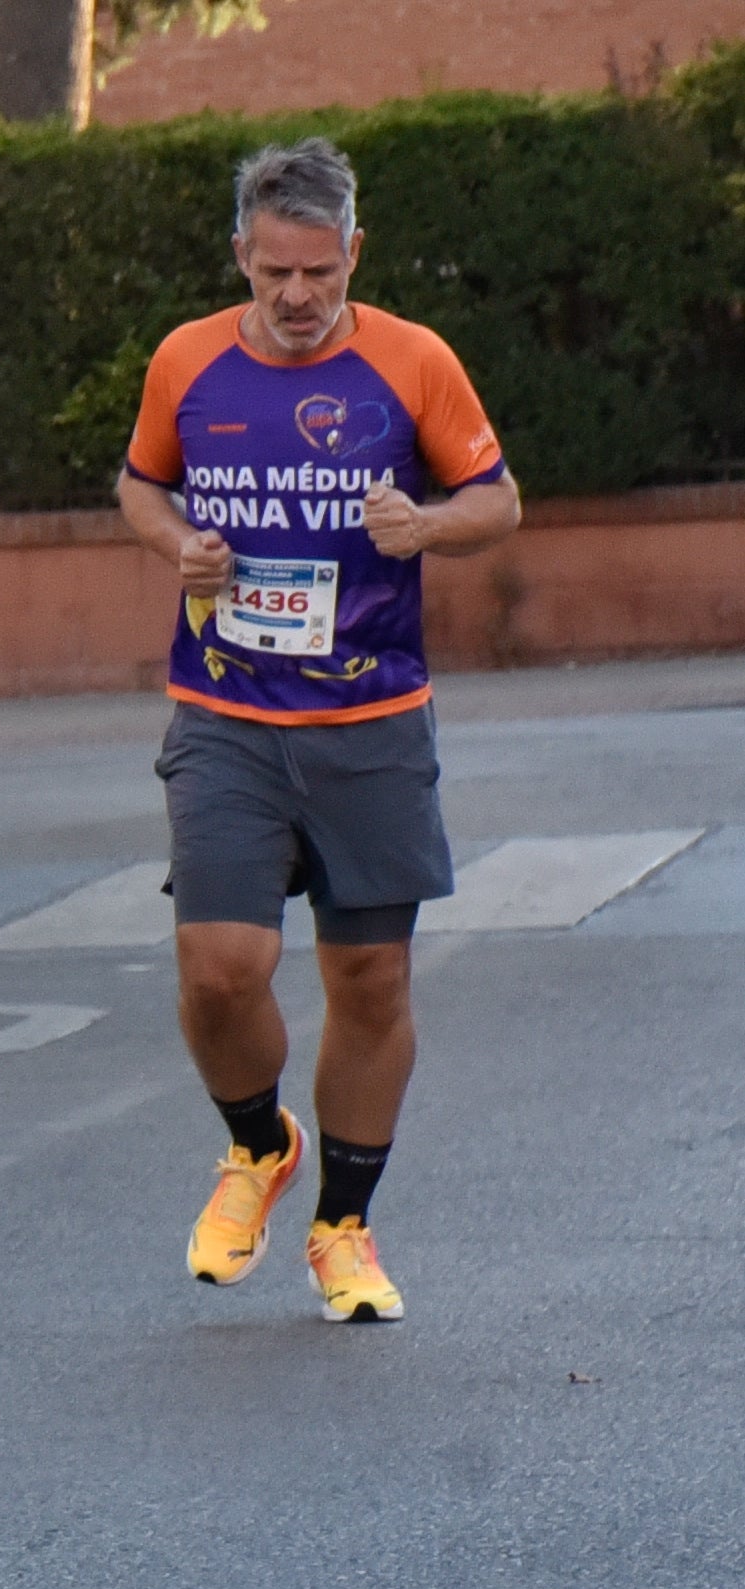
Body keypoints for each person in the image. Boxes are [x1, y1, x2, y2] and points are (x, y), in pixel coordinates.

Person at [117, 138, 520, 1323]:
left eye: (318, 273)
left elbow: (495, 499)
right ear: (240, 254)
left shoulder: (413, 363)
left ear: (353, 253)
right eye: (272, 272)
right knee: (217, 971)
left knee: (367, 979)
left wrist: (423, 527)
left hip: (369, 718)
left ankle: (342, 1229)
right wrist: (170, 543)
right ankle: (257, 1144)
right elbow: (140, 482)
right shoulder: (184, 361)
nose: (295, 298)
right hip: (226, 714)